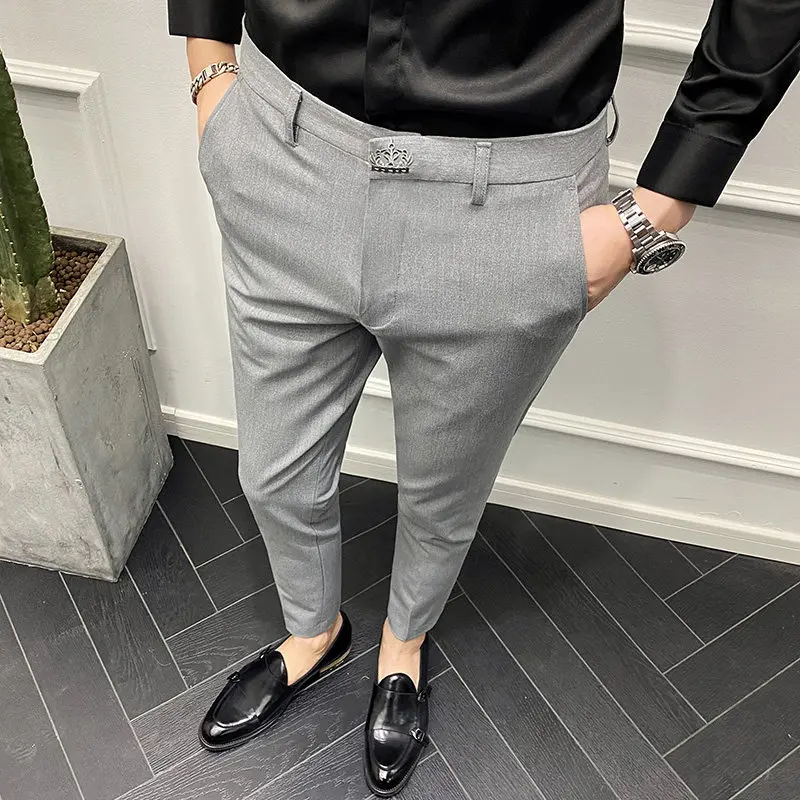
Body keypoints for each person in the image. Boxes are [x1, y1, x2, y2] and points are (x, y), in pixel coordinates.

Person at [167, 1, 800, 795]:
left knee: (446, 489)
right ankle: (313, 633)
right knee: (273, 472)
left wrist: (661, 204)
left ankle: (404, 647)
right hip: (282, 149)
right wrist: (208, 63)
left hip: (510, 197)